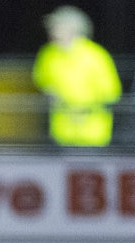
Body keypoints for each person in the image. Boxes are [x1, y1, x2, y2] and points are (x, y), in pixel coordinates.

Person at [32, 5, 121, 147]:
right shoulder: (47, 54)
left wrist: (83, 112)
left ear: (73, 29)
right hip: (61, 133)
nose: (52, 31)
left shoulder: (96, 56)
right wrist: (49, 92)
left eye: (57, 27)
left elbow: (111, 93)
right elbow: (42, 81)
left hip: (92, 134)